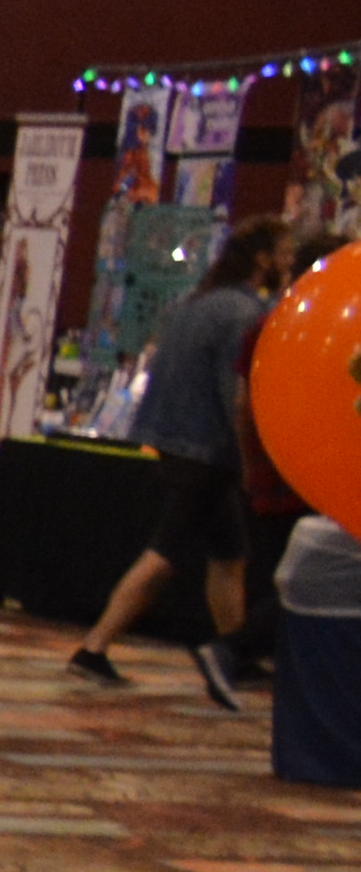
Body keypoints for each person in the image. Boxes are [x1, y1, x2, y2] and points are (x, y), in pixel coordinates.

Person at [75, 220, 282, 706]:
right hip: (206, 451)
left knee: (229, 555)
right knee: (164, 554)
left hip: (176, 442)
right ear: (262, 258)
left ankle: (233, 652)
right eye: (285, 252)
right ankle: (94, 646)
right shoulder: (245, 312)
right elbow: (236, 395)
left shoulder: (199, 301)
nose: (289, 262)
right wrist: (253, 458)